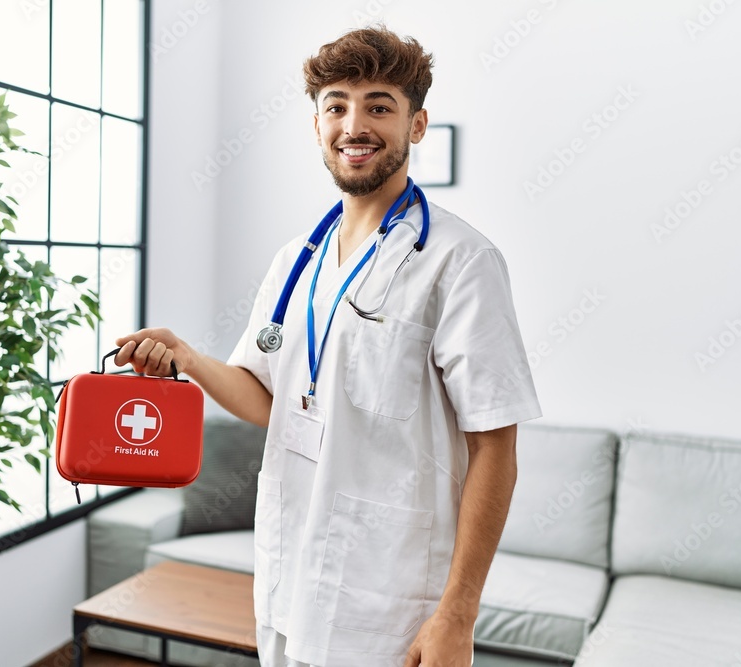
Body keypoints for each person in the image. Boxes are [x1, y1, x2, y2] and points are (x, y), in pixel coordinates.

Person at [115, 26, 542, 667]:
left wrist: (458, 612)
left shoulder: (461, 260)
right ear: (316, 125)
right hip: (290, 576)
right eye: (337, 105)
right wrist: (189, 358)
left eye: (379, 105)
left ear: (416, 125)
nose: (355, 124)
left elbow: (495, 447)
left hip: (392, 599)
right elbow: (270, 400)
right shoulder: (297, 262)